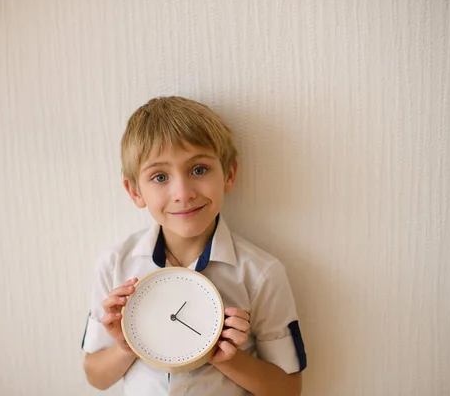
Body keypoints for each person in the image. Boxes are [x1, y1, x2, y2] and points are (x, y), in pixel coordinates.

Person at [82, 96, 306, 395]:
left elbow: (288, 389)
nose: (182, 193)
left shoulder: (261, 273)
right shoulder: (115, 264)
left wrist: (227, 359)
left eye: (198, 169)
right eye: (160, 176)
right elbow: (95, 377)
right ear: (135, 191)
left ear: (228, 174)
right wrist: (128, 344)